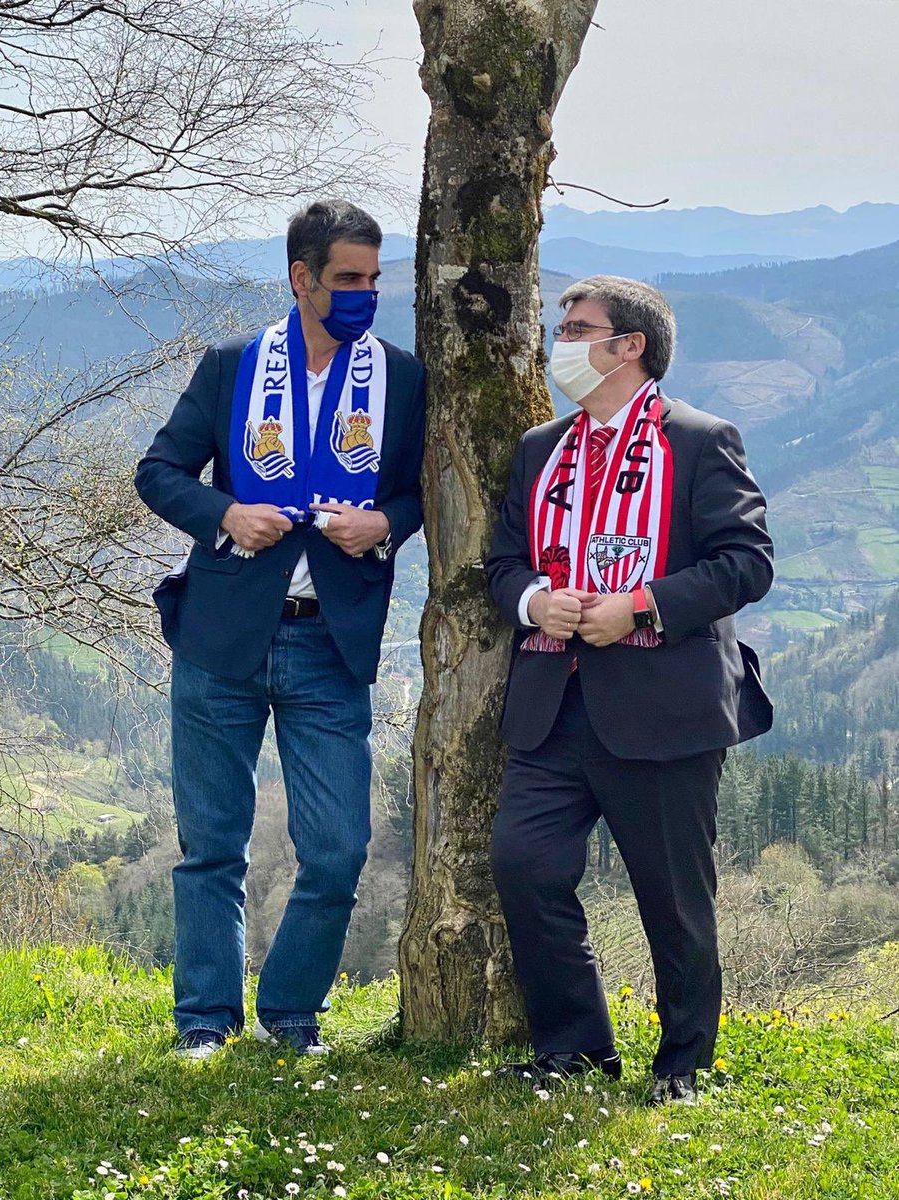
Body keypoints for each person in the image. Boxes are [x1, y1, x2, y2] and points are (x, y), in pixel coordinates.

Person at [135, 200, 425, 1061]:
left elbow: (412, 492)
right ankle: (204, 1022)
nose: (364, 293)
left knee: (337, 849)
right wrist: (226, 510)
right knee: (210, 844)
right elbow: (158, 471)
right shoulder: (232, 367)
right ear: (302, 278)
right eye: (348, 279)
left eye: (374, 279)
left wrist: (386, 526)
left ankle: (291, 1012)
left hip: (328, 640)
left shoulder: (400, 379)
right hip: (222, 634)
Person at [485, 275, 773, 1105]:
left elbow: (747, 563)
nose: (561, 343)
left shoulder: (701, 439)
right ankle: (575, 1048)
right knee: (524, 864)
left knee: (674, 900)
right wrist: (538, 599)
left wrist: (640, 606)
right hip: (552, 701)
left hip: (663, 708)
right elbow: (504, 564)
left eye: (578, 328)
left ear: (629, 346)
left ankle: (685, 1062)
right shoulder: (543, 447)